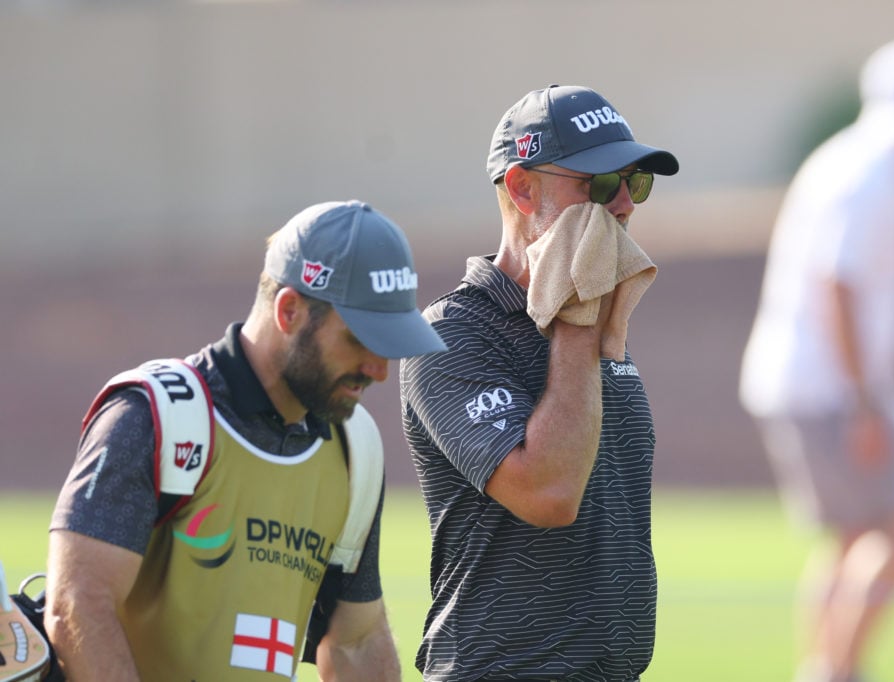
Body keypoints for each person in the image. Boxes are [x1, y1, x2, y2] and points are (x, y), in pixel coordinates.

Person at [45, 200, 447, 681]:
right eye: (359, 340)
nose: (379, 371)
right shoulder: (153, 416)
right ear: (290, 310)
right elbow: (79, 605)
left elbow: (356, 641)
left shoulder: (355, 449)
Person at [399, 84, 678, 680]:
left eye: (637, 182)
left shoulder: (601, 319)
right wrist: (576, 320)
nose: (625, 205)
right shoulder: (452, 334)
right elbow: (549, 495)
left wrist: (592, 325)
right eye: (601, 185)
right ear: (524, 188)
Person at [739, 36, 894, 682]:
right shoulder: (872, 171)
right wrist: (864, 403)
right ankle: (838, 671)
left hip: (809, 383)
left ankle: (825, 668)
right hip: (825, 388)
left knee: (854, 533)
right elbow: (839, 283)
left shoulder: (861, 162)